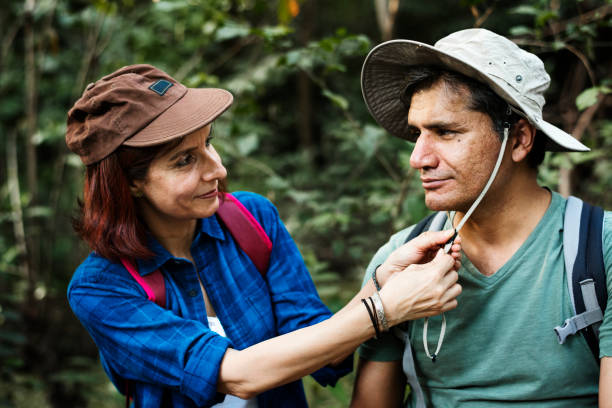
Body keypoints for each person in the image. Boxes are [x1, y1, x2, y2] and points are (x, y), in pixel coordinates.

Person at [65, 64, 463, 408]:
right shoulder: (100, 289)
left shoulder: (250, 219)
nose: (216, 170)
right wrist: (384, 309)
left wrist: (378, 287)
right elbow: (236, 374)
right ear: (130, 184)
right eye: (184, 160)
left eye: (208, 144)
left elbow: (314, 339)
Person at [351, 28, 612, 407]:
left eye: (444, 132)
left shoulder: (598, 250)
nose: (418, 158)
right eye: (416, 133)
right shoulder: (401, 260)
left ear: (520, 139)